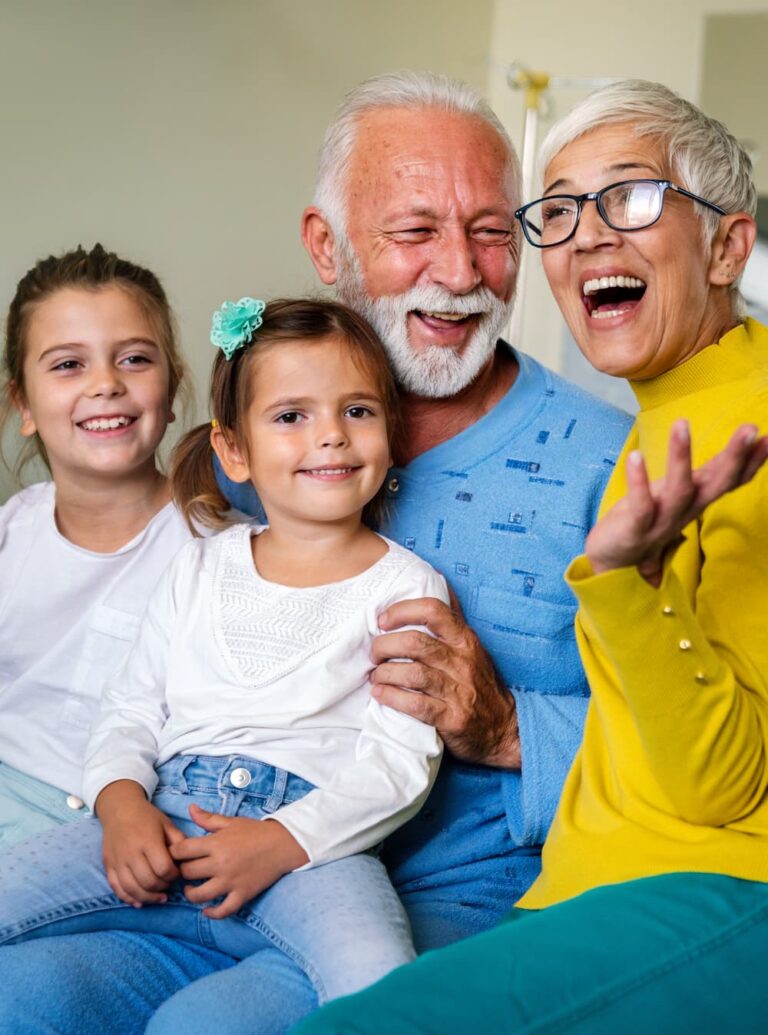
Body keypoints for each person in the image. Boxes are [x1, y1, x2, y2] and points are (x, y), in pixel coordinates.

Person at [0, 73, 630, 1034]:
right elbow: (133, 664)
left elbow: (721, 756)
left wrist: (508, 728)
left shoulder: (613, 469)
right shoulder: (230, 483)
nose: (459, 268)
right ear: (326, 247)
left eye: (494, 230)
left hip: (415, 891)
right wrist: (123, 795)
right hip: (185, 850)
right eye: (415, 231)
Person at [292, 79, 768, 1035]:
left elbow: (724, 782)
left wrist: (617, 598)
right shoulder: (673, 419)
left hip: (698, 886)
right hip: (586, 885)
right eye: (558, 211)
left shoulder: (722, 442)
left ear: (727, 245)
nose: (589, 235)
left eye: (630, 198)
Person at [0, 297, 448, 1032]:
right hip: (168, 817)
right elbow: (132, 707)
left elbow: (399, 765)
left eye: (358, 411)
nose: (330, 435)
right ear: (234, 451)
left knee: (381, 978)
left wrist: (282, 840)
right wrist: (120, 805)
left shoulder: (407, 585)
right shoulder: (201, 566)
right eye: (291, 416)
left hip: (313, 847)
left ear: (391, 436)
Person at [0, 243, 192, 849]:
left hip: (134, 826)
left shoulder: (220, 548)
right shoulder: (12, 532)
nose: (106, 384)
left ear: (172, 387)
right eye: (67, 366)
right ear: (24, 405)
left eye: (134, 359)